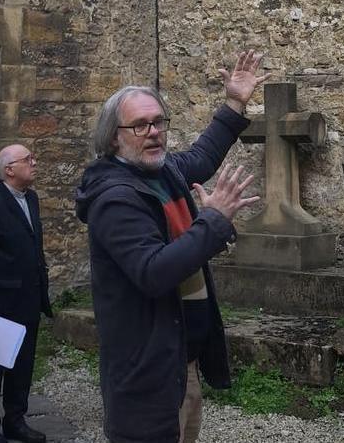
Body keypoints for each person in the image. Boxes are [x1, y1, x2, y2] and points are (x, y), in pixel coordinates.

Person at [75, 50, 268, 443]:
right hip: (147, 367)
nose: (153, 132)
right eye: (140, 125)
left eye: (159, 121)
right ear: (113, 137)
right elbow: (153, 272)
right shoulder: (115, 199)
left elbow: (203, 155)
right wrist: (213, 220)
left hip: (181, 358)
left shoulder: (163, 171)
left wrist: (234, 103)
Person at [0, 144, 53, 443]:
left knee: (23, 365)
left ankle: (15, 420)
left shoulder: (30, 198)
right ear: (9, 170)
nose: (35, 162)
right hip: (3, 302)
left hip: (29, 298)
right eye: (28, 159)